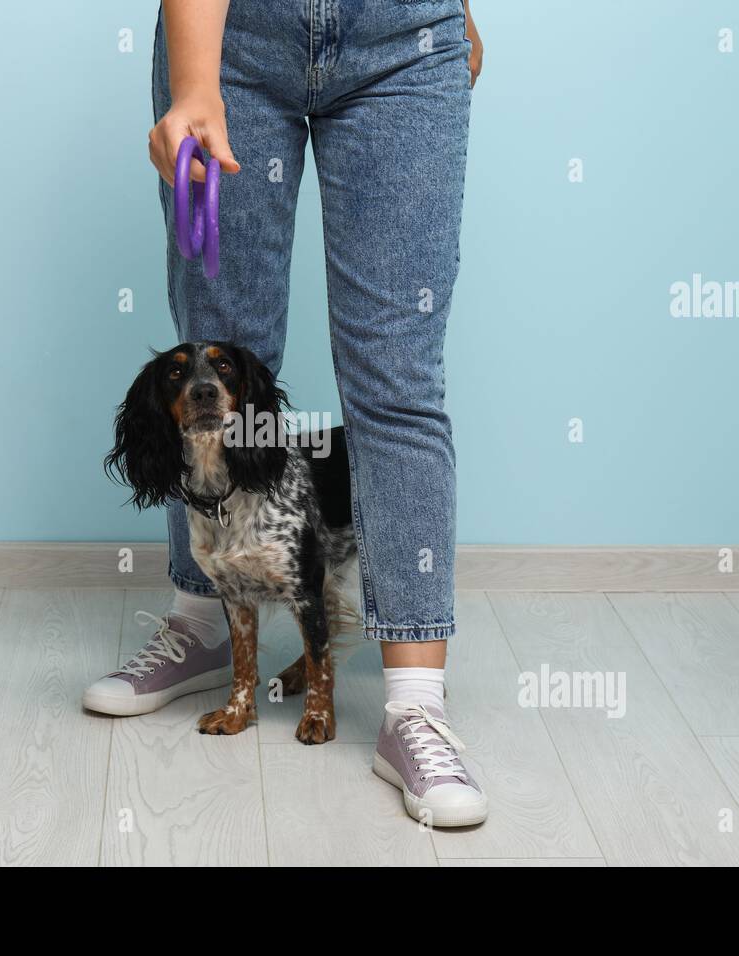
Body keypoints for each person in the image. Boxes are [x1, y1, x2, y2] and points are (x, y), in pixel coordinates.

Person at [84, 0, 486, 827]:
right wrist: (194, 80)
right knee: (220, 349)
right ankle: (203, 623)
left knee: (398, 380)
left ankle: (414, 708)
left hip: (406, 39)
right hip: (236, 35)